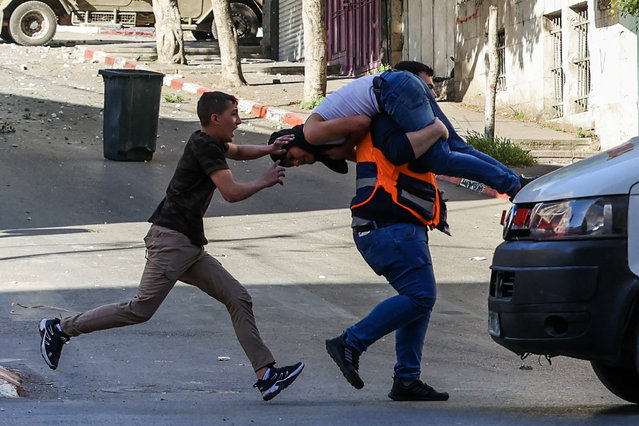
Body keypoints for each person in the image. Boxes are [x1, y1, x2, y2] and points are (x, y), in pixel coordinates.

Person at [39, 91, 304, 402]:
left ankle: (266, 374)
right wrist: (265, 180)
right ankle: (60, 328)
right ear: (215, 118)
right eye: (234, 114)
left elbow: (239, 150)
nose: (239, 120)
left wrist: (268, 148)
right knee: (140, 310)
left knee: (238, 297)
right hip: (171, 241)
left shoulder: (208, 141)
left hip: (187, 243)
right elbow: (231, 192)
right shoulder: (205, 145)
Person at [270, 115, 451, 401]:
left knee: (416, 301)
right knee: (420, 297)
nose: (294, 164)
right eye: (289, 164)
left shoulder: (339, 140)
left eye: (290, 157)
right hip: (388, 228)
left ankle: (406, 378)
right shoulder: (346, 138)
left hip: (391, 228)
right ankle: (351, 342)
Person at [301, 61, 531, 198]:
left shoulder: (311, 133)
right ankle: (518, 182)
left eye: (294, 158)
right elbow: (365, 157)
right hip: (398, 86)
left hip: (393, 90)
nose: (297, 163)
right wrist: (345, 152)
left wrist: (342, 150)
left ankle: (511, 186)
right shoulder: (323, 130)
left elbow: (361, 122)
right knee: (457, 147)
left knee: (442, 159)